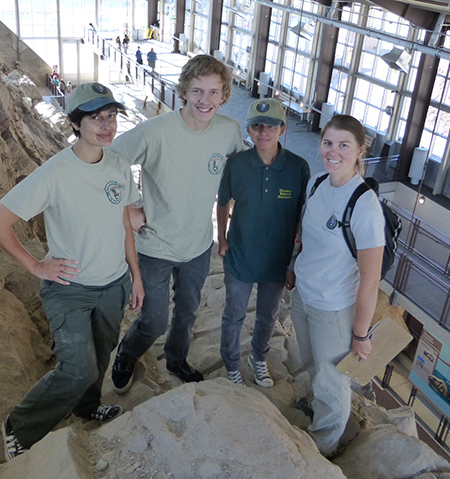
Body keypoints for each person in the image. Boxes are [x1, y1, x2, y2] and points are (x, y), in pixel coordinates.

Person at [0, 82, 144, 461]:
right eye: (94, 118)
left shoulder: (119, 166)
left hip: (113, 284)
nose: (106, 125)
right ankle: (19, 426)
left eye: (111, 116)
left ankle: (87, 407)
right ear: (76, 123)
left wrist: (134, 275)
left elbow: (124, 222)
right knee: (77, 366)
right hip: (69, 288)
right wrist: (36, 265)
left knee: (102, 353)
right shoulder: (54, 173)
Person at [109, 54, 244, 393]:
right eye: (197, 91)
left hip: (198, 245)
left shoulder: (228, 131)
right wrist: (128, 209)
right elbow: (109, 162)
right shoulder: (156, 132)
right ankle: (127, 353)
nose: (205, 101)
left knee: (187, 313)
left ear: (224, 95)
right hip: (154, 245)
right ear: (183, 91)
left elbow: (240, 174)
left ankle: (175, 359)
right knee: (154, 320)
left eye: (214, 92)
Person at [290, 114, 385, 458]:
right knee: (311, 360)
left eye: (344, 145)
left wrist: (360, 335)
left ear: (360, 150)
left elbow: (370, 278)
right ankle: (319, 408)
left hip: (333, 307)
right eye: (328, 143)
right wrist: (293, 270)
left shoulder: (364, 206)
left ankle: (324, 444)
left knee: (332, 379)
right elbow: (308, 237)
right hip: (305, 293)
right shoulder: (317, 183)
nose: (334, 152)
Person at [217, 98, 310, 387]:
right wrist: (221, 238)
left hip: (276, 259)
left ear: (282, 129)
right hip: (241, 255)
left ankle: (258, 358)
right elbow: (223, 202)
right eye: (256, 126)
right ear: (248, 130)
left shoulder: (298, 168)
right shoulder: (237, 164)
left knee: (267, 317)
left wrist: (294, 260)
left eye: (270, 126)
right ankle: (231, 364)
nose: (263, 132)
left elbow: (301, 216)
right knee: (233, 314)